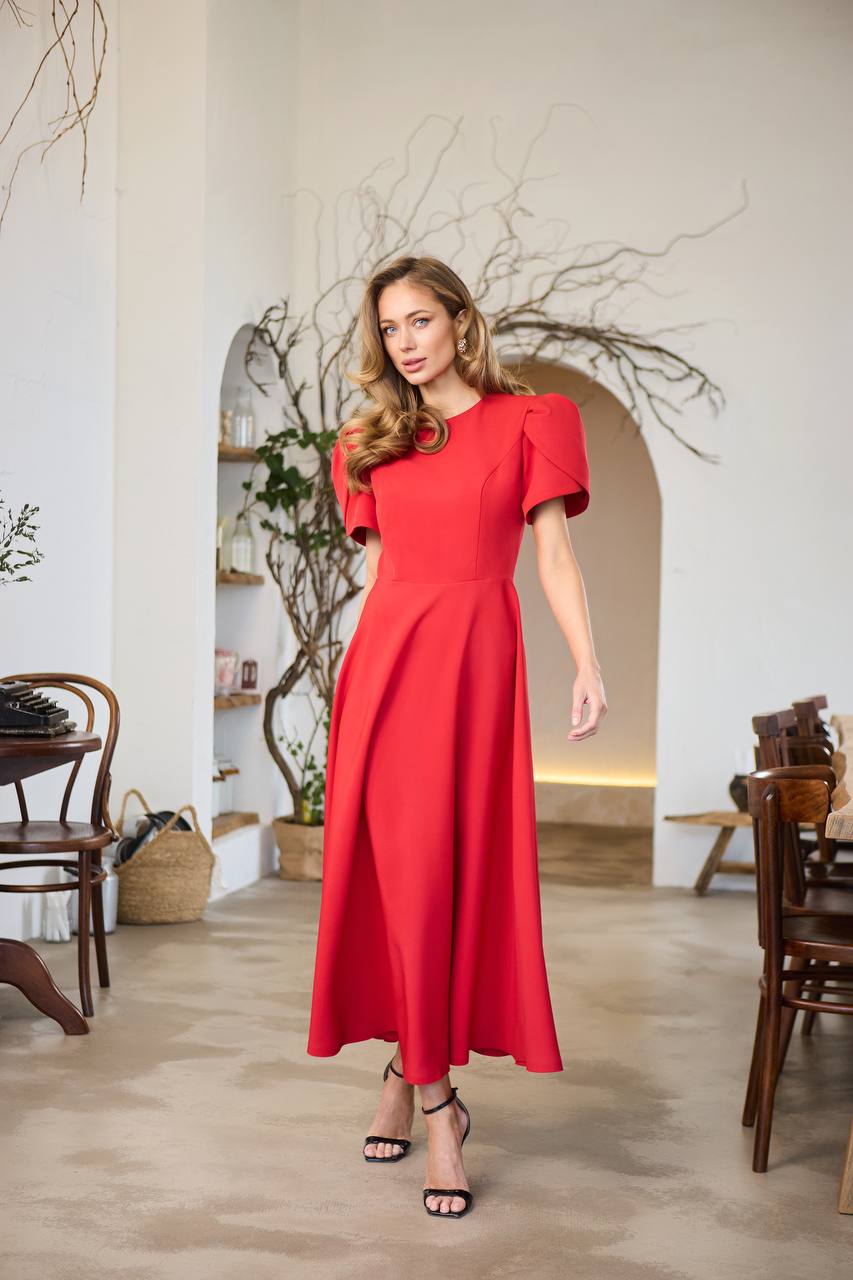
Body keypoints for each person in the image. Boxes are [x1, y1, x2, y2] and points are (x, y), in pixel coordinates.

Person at [306, 254, 607, 1219]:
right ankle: (437, 1107)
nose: (405, 341)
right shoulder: (365, 438)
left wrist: (588, 664)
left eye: (420, 320)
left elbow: (553, 557)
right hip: (386, 674)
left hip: (477, 669)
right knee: (398, 879)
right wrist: (348, 695)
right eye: (389, 328)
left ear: (459, 322)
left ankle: (407, 1071)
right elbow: (379, 577)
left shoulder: (534, 421)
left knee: (450, 879)